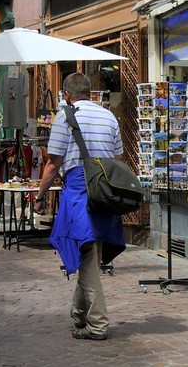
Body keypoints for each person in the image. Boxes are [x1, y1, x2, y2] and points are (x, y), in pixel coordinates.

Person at [38, 71, 126, 341]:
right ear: (89, 92)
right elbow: (118, 157)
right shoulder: (109, 116)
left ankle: (98, 324)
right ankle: (78, 314)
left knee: (87, 253)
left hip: (79, 190)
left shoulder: (64, 116)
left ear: (67, 94)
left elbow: (53, 162)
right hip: (105, 189)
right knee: (90, 252)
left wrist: (40, 195)